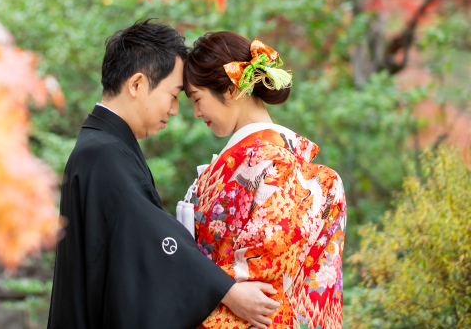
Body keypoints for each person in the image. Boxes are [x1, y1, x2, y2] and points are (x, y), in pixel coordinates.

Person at [48, 20, 280, 329]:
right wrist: (226, 290)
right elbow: (150, 235)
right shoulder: (101, 153)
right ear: (137, 85)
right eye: (173, 95)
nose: (175, 110)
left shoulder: (104, 145)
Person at [177, 31, 346, 329]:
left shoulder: (275, 166)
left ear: (231, 90)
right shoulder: (255, 161)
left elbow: (260, 289)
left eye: (197, 99)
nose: (195, 112)